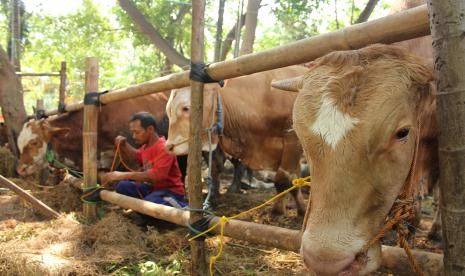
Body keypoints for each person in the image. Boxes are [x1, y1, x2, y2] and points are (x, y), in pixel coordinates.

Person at [99, 111, 187, 209]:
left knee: (151, 201)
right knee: (123, 186)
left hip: (170, 192)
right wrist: (124, 145)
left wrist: (122, 175)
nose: (133, 136)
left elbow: (157, 176)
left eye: (137, 132)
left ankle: (184, 208)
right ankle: (144, 211)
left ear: (150, 129)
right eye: (132, 132)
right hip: (152, 189)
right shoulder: (146, 147)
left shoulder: (164, 147)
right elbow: (137, 156)